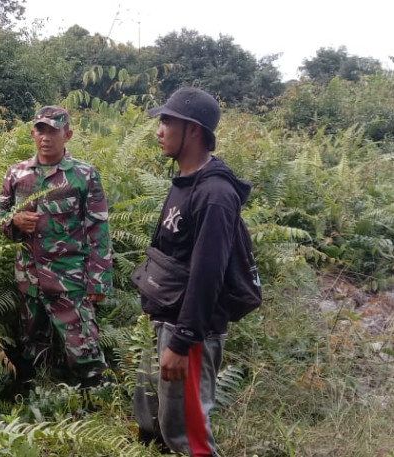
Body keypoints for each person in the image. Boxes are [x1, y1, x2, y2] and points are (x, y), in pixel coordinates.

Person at [133, 87, 251, 456]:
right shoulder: (186, 182)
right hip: (165, 319)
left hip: (189, 334)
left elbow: (207, 274)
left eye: (167, 121)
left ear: (194, 131)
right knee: (154, 423)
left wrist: (183, 341)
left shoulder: (215, 193)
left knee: (189, 439)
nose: (159, 130)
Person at [0, 106, 113, 387]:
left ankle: (97, 405)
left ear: (67, 134)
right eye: (40, 130)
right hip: (29, 278)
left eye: (53, 130)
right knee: (31, 349)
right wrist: (14, 220)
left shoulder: (84, 176)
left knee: (85, 351)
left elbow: (99, 229)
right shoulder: (17, 174)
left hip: (69, 279)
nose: (46, 137)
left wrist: (99, 281)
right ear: (33, 134)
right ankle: (33, 402)